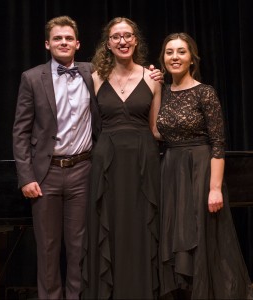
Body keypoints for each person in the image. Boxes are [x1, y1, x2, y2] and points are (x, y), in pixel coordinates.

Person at [13, 15, 162, 299]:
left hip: (84, 170)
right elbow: (20, 132)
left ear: (78, 43)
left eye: (69, 38)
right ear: (47, 44)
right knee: (47, 248)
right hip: (46, 174)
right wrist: (26, 176)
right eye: (58, 38)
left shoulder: (91, 72)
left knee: (81, 247)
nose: (64, 42)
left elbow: (126, 81)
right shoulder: (32, 78)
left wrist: (156, 75)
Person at [156, 32, 253, 299]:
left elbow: (218, 144)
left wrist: (214, 189)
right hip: (171, 169)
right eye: (169, 52)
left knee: (202, 233)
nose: (174, 57)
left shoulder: (205, 92)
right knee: (176, 232)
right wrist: (154, 89)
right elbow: (156, 132)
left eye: (181, 52)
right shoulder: (162, 92)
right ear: (163, 58)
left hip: (200, 169)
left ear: (192, 59)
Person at [80, 17, 162, 299]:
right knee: (109, 224)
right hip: (107, 161)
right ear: (108, 43)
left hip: (143, 159)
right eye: (116, 37)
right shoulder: (94, 77)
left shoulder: (152, 78)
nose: (123, 41)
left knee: (141, 225)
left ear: (136, 41)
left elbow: (155, 129)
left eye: (128, 36)